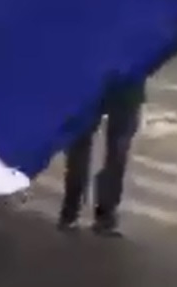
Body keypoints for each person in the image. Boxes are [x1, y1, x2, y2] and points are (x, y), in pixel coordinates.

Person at [56, 78, 144, 237]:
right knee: (117, 147)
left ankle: (70, 212)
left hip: (90, 76)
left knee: (80, 142)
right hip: (127, 82)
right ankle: (105, 215)